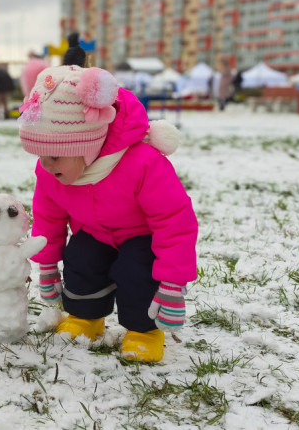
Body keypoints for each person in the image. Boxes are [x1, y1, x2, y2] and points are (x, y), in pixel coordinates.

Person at [17, 64, 198, 362]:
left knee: (137, 269)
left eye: (54, 155)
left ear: (86, 146)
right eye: (39, 155)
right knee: (82, 258)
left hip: (141, 236)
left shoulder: (143, 164)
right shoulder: (51, 171)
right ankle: (86, 317)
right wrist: (48, 265)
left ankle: (143, 330)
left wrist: (173, 284)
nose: (45, 165)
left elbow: (174, 222)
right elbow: (48, 216)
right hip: (95, 231)